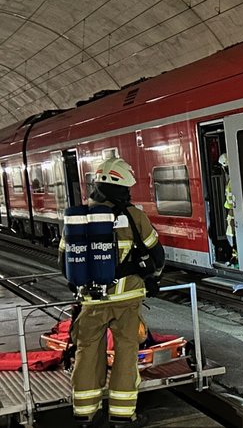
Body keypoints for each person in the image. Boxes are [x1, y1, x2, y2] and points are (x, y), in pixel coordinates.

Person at [59, 157, 165, 428]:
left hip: (91, 301)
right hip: (127, 301)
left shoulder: (79, 220)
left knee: (86, 353)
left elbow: (63, 263)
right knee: (126, 354)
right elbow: (157, 255)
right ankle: (122, 415)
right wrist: (152, 278)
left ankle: (86, 413)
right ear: (120, 188)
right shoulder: (133, 215)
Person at [219, 153, 237, 265]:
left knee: (231, 234)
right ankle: (235, 255)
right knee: (230, 233)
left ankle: (236, 255)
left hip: (234, 212)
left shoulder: (233, 180)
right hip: (232, 211)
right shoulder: (232, 179)